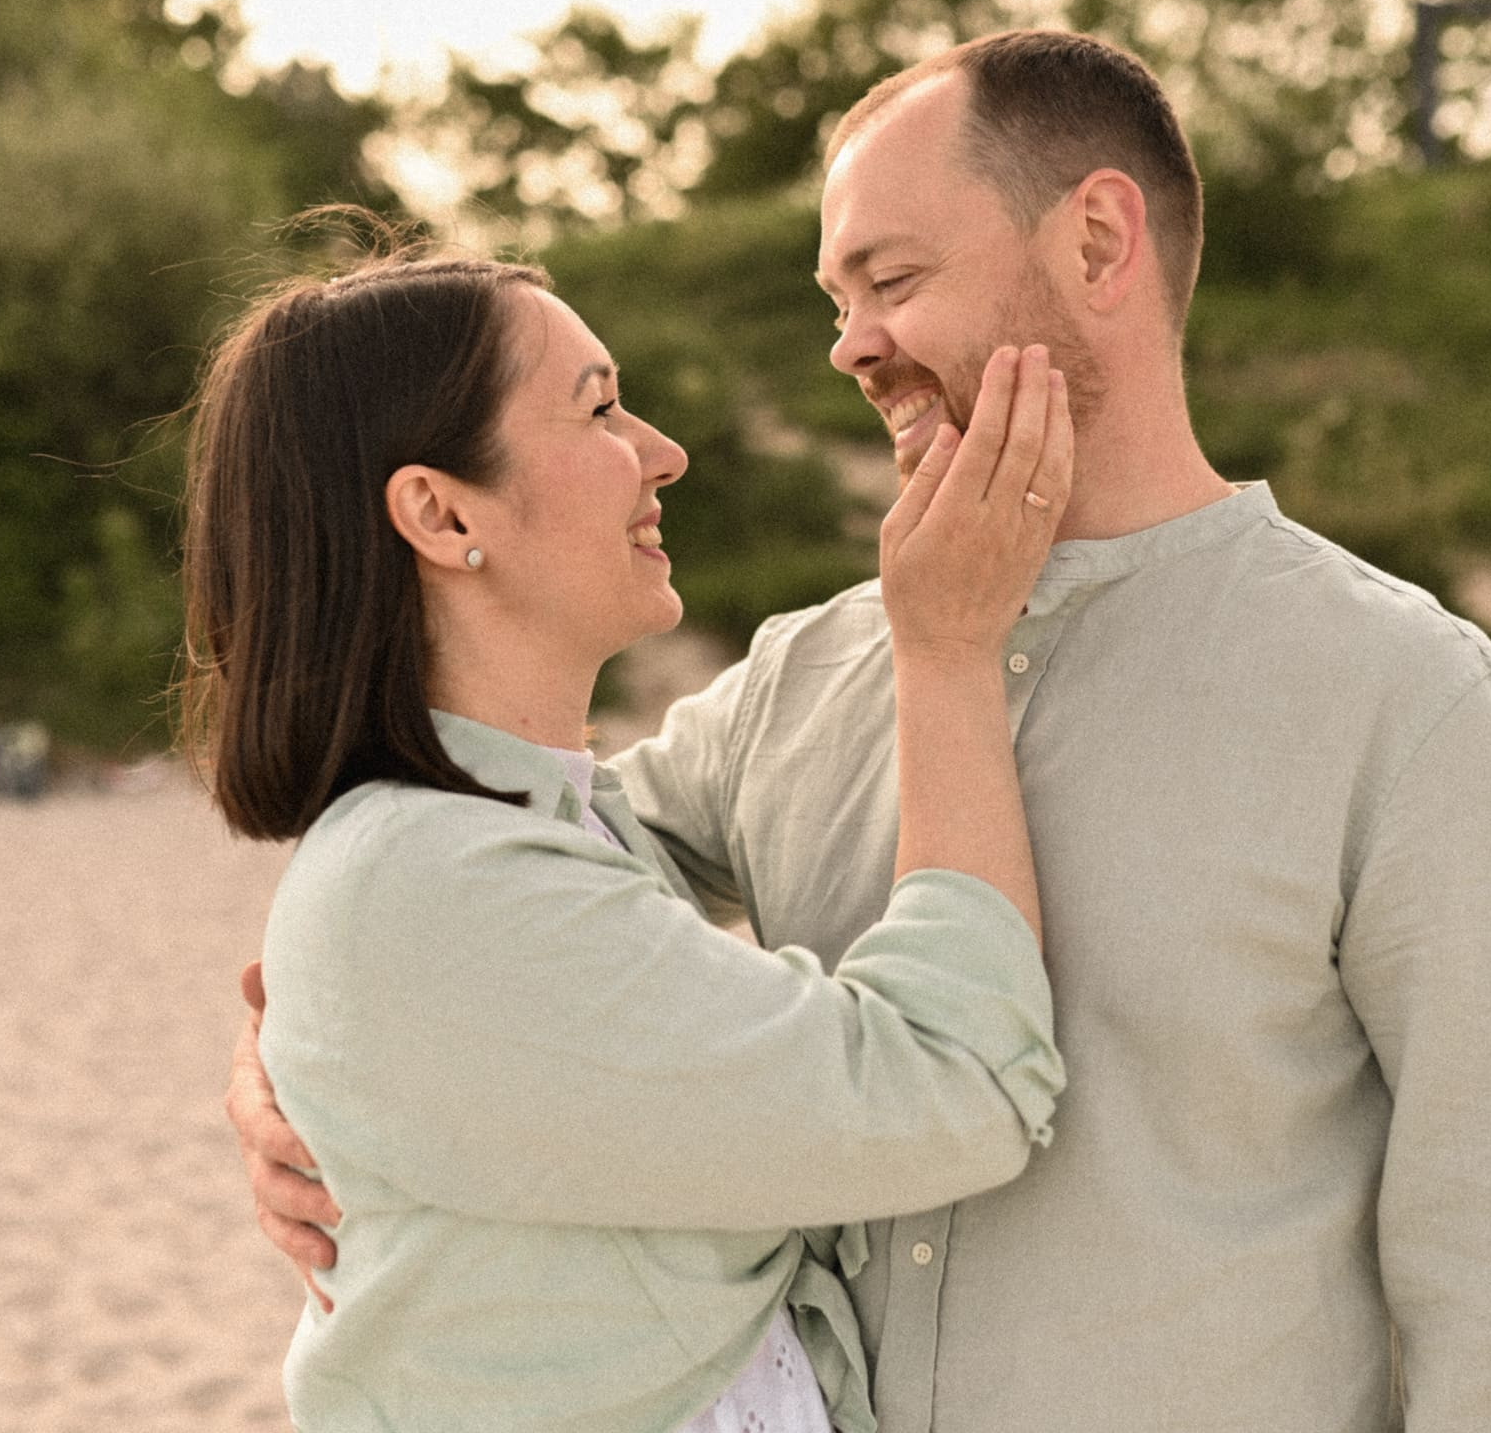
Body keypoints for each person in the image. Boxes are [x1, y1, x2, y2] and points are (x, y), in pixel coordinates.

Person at [230, 34, 1491, 1431]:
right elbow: (502, 910)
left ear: (1100, 244)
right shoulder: (803, 683)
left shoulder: (1421, 719)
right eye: (833, 301)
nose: (849, 348)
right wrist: (287, 1079)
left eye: (894, 279)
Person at [183, 246, 1080, 1433]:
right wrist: (952, 651)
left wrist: (284, 1051)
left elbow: (647, 839)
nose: (663, 451)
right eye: (599, 407)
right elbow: (957, 1086)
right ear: (443, 513)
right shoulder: (434, 883)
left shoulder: (521, 828)